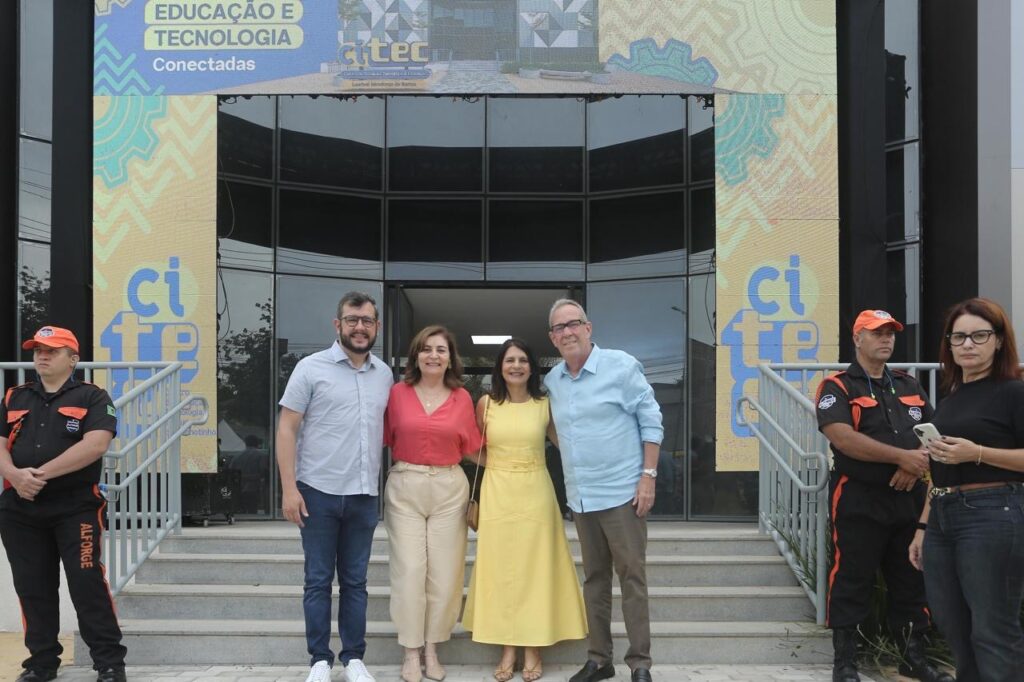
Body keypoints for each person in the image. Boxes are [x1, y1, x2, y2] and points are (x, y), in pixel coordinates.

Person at [815, 309, 952, 682]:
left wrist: (916, 464)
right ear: (857, 339)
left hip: (909, 500)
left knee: (911, 578)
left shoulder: (909, 384)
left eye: (890, 332)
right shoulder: (838, 387)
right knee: (851, 578)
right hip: (858, 499)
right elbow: (842, 437)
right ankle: (844, 663)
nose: (886, 339)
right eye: (876, 333)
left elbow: (934, 435)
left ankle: (913, 658)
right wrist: (901, 458)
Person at [543, 299, 662, 682]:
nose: (567, 332)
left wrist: (648, 476)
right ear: (552, 338)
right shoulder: (553, 381)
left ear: (588, 327)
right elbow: (554, 427)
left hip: (623, 495)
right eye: (559, 328)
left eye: (573, 324)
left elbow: (652, 421)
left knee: (632, 578)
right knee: (594, 579)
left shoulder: (621, 366)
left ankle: (640, 662)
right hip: (582, 497)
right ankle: (600, 659)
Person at [276, 292, 393, 682]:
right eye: (352, 320)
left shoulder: (385, 374)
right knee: (318, 580)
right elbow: (287, 428)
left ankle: (354, 658)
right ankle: (319, 661)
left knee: (357, 581)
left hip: (363, 494)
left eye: (367, 321)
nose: (360, 327)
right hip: (318, 493)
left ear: (376, 326)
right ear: (337, 324)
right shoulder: (310, 368)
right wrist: (289, 489)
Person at [0, 326, 127, 682]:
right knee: (32, 586)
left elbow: (96, 445)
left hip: (75, 507)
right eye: (38, 349)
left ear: (73, 359)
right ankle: (41, 664)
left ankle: (109, 664)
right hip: (20, 510)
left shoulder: (94, 397)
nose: (42, 355)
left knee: (86, 583)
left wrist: (37, 475)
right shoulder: (15, 397)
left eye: (52, 350)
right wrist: (14, 474)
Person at [908, 297, 1024, 682]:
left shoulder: (1013, 391)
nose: (968, 345)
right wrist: (924, 527)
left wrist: (977, 453)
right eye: (959, 337)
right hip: (943, 515)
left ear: (999, 341)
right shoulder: (952, 397)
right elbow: (942, 465)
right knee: (952, 624)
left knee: (992, 629)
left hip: (993, 512)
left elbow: (973, 456)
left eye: (979, 335)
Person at [462, 339, 587, 682]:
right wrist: (500, 464)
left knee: (536, 568)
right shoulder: (486, 403)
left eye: (522, 360)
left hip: (536, 491)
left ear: (532, 367)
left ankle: (533, 646)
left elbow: (568, 444)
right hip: (498, 491)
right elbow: (470, 448)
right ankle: (507, 648)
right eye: (509, 360)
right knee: (500, 569)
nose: (516, 365)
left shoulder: (545, 405)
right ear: (500, 367)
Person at [383, 325, 482, 682]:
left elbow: (473, 447)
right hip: (405, 484)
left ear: (450, 357)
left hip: (449, 486)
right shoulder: (397, 393)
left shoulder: (462, 398)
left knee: (444, 573)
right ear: (416, 356)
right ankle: (410, 652)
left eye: (441, 350)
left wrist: (519, 462)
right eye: (426, 349)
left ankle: (432, 649)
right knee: (409, 571)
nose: (433, 355)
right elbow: (378, 436)